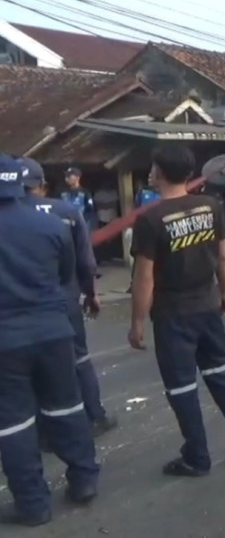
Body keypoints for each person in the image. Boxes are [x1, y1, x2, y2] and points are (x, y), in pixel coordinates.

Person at [128, 145, 225, 477]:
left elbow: (144, 277)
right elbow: (224, 257)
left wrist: (137, 322)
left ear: (159, 172)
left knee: (182, 388)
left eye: (153, 167)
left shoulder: (150, 220)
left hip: (173, 315)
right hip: (208, 305)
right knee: (223, 374)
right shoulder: (210, 206)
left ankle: (197, 457)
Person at [0, 154, 99, 527]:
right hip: (53, 330)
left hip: (5, 341)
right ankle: (84, 479)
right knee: (67, 406)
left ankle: (33, 504)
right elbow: (66, 274)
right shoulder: (52, 224)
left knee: (14, 423)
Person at [20, 158, 116, 437]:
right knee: (79, 359)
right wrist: (90, 294)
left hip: (20, 307)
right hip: (64, 299)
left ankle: (44, 432)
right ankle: (95, 417)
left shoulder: (7, 217)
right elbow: (85, 262)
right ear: (42, 185)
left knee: (31, 368)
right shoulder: (65, 212)